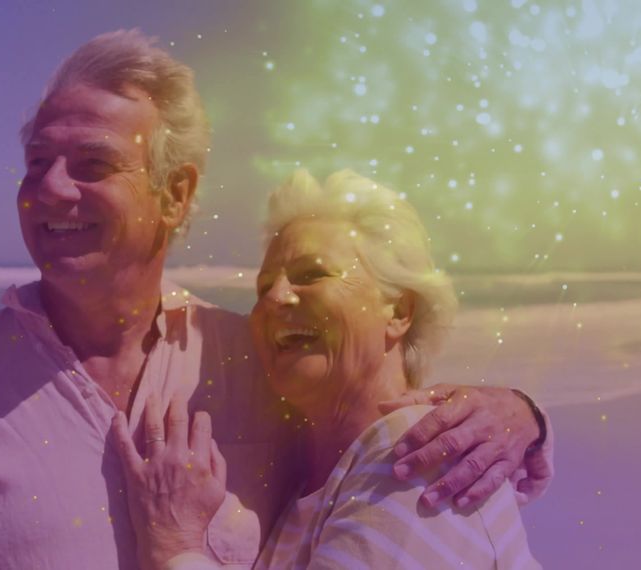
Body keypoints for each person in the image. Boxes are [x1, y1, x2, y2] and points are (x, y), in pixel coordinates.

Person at [0, 30, 551, 569]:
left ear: (175, 194)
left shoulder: (259, 361)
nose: (50, 188)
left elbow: (379, 430)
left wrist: (516, 416)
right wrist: (523, 417)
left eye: (92, 164)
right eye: (37, 163)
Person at [114, 170, 542, 569]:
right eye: (264, 287)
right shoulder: (313, 485)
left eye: (312, 274)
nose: (275, 298)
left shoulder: (417, 453)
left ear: (398, 310)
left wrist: (177, 545)